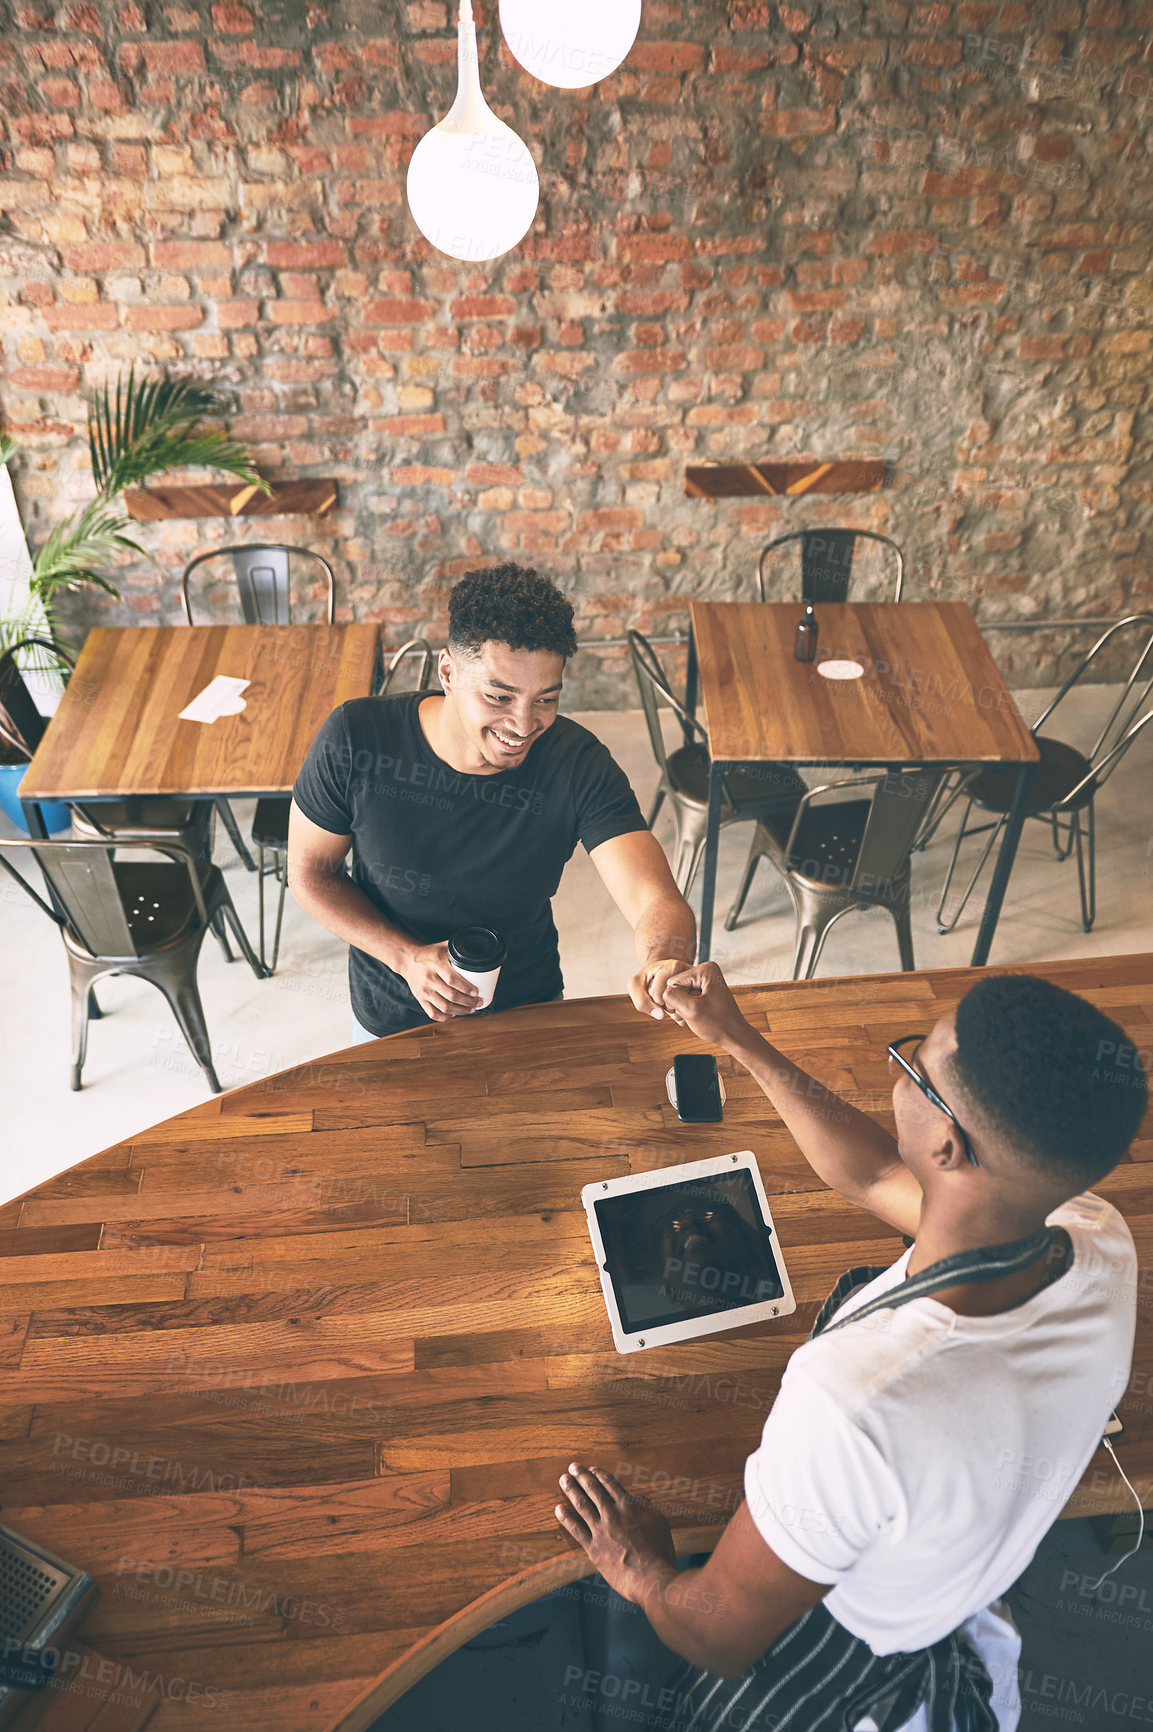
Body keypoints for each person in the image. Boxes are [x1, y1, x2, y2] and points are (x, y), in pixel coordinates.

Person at [556, 966, 1147, 1732]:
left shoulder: (854, 1401)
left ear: (944, 1143)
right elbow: (874, 1174)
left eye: (912, 1065)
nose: (894, 1072)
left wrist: (643, 1575)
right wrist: (738, 1040)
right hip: (957, 1576)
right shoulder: (1096, 1236)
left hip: (858, 1653)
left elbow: (716, 1635)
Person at [289, 564, 696, 1039]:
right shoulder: (357, 738)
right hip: (390, 1019)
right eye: (499, 696)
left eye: (545, 699)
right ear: (448, 672)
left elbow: (655, 898)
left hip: (529, 1011)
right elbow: (309, 872)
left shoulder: (577, 761)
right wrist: (406, 958)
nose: (523, 725)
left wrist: (665, 958)